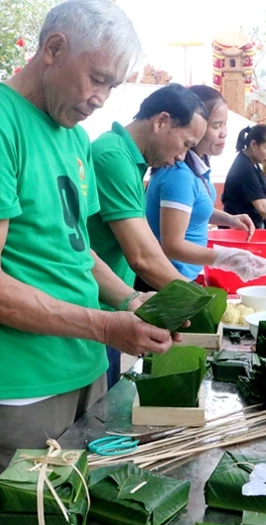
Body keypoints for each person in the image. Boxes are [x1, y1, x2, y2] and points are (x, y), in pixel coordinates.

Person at [0, 0, 176, 511]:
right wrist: (109, 328)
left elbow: (77, 248)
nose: (100, 99)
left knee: (79, 512)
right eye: (97, 79)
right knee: (29, 518)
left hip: (83, 364)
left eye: (112, 86)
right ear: (53, 49)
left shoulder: (71, 135)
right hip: (21, 383)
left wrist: (129, 300)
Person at [88, 84, 204, 389]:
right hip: (93, 307)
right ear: (162, 121)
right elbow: (142, 258)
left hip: (112, 302)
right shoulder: (111, 157)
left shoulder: (128, 160)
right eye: (185, 143)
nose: (181, 157)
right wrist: (201, 305)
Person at [145, 85, 266, 282]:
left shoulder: (197, 168)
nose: (224, 133)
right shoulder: (179, 175)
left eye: (224, 124)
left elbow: (192, 210)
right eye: (216, 126)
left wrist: (229, 219)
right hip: (167, 281)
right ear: (195, 126)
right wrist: (228, 258)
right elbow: (172, 245)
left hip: (185, 275)